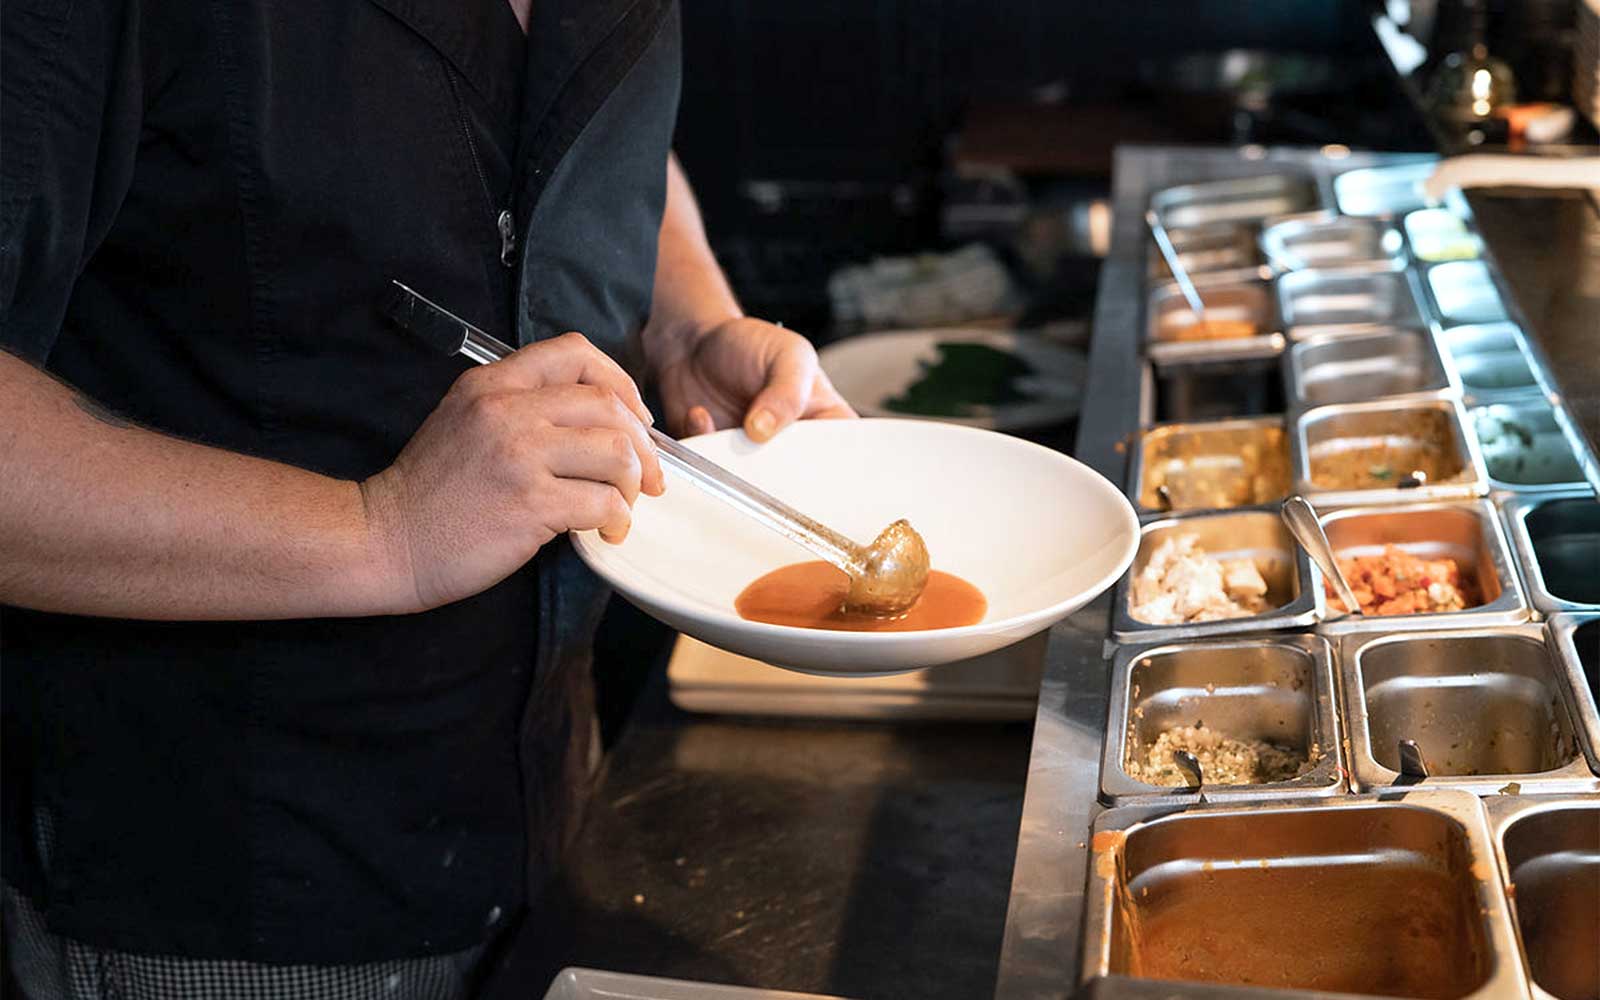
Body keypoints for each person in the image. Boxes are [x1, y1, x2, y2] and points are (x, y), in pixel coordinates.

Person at [0, 0, 851, 996]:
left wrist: (685, 324)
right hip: (231, 893)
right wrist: (382, 531)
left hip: (553, 799)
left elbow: (591, 128)